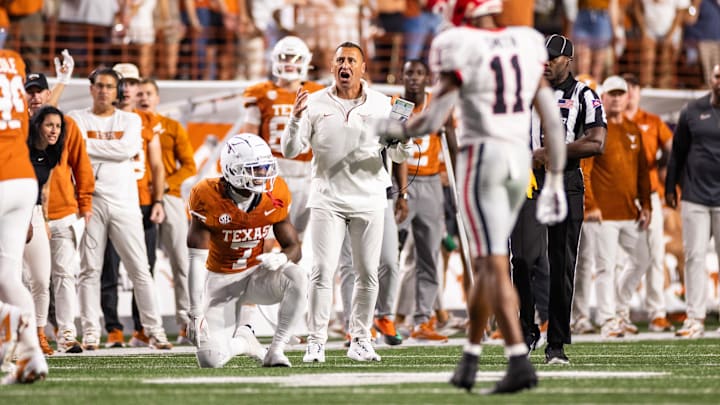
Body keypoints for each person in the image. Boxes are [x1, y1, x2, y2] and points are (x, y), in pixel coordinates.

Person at [376, 0, 568, 394]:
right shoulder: (525, 42)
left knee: (493, 262)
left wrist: (391, 129)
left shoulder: (458, 43)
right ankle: (471, 357)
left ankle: (518, 358)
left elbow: (432, 120)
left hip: (483, 158)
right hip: (520, 160)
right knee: (486, 262)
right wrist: (554, 180)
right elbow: (550, 117)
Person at [282, 41, 411, 363]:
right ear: (332, 66)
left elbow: (398, 155)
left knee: (368, 273)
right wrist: (295, 119)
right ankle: (316, 341)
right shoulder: (312, 102)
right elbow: (290, 150)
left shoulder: (383, 105)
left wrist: (401, 138)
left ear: (363, 67)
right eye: (340, 59)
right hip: (327, 198)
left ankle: (361, 339)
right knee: (321, 272)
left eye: (352, 60)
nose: (346, 65)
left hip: (369, 199)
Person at [67, 67, 172, 350]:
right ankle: (90, 330)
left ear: (117, 91)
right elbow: (76, 148)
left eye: (109, 86)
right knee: (91, 269)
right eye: (99, 85)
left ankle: (154, 330)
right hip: (90, 201)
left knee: (140, 268)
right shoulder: (75, 117)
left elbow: (126, 149)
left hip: (126, 203)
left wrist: (86, 145)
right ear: (91, 88)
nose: (104, 91)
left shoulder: (131, 119)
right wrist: (100, 147)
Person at [186, 133, 307, 368]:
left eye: (264, 167)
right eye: (254, 169)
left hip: (256, 276)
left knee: (299, 276)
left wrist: (281, 257)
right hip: (222, 281)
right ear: (231, 170)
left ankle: (276, 350)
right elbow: (195, 260)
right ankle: (244, 342)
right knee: (210, 360)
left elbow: (295, 248)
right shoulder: (206, 195)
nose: (262, 174)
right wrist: (195, 312)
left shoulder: (275, 194)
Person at [528, 34, 607, 363]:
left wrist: (552, 152)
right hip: (529, 180)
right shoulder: (527, 93)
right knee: (523, 258)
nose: (546, 63)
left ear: (568, 60)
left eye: (553, 57)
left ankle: (556, 343)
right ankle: (526, 329)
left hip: (566, 179)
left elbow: (596, 142)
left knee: (561, 264)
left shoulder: (584, 94)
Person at [98, 63, 167, 349]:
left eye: (132, 82)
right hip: (112, 200)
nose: (127, 88)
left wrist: (159, 199)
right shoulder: (101, 119)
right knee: (108, 268)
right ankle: (113, 329)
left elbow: (157, 165)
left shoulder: (148, 120)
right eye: (121, 82)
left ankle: (142, 328)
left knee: (144, 267)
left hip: (143, 201)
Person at [581, 75, 651, 338]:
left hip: (629, 212)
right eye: (612, 94)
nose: (618, 98)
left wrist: (646, 204)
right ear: (602, 98)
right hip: (603, 215)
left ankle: (619, 310)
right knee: (604, 267)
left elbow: (642, 171)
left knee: (643, 259)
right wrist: (591, 204)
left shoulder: (633, 130)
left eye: (621, 93)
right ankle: (608, 319)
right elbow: (584, 170)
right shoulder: (595, 130)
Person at [394, 59, 457, 342]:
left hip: (431, 182)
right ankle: (381, 317)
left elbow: (452, 138)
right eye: (409, 73)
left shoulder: (437, 103)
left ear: (427, 77)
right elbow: (390, 145)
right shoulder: (398, 105)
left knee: (429, 256)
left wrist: (459, 174)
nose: (414, 78)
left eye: (419, 73)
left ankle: (422, 320)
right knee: (387, 255)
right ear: (402, 77)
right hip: (401, 184)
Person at [240, 36, 324, 241]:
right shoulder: (261, 93)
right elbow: (248, 137)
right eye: (285, 57)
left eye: (295, 58)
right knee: (266, 239)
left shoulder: (318, 93)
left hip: (307, 175)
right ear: (275, 59)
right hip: (273, 174)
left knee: (297, 239)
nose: (289, 63)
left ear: (306, 61)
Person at [0, 44, 48, 384]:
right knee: (6, 278)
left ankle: (10, 324)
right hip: (22, 180)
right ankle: (32, 357)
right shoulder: (12, 60)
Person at [137, 77, 196, 344]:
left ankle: (186, 322)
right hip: (138, 197)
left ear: (157, 98)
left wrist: (163, 186)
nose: (144, 98)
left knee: (181, 262)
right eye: (139, 94)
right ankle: (144, 326)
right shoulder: (129, 124)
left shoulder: (171, 126)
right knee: (141, 264)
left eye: (148, 93)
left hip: (168, 197)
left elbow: (189, 165)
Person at [616, 73, 675, 333]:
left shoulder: (652, 122)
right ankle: (619, 313)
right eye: (625, 88)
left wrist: (668, 180)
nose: (630, 92)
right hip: (619, 196)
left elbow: (674, 150)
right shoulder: (610, 122)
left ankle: (657, 312)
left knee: (655, 253)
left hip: (649, 194)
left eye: (634, 87)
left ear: (640, 92)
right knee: (618, 258)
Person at [665, 64, 720, 338]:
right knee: (694, 256)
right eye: (718, 75)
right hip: (695, 195)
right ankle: (694, 318)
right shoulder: (693, 110)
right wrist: (669, 187)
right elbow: (677, 152)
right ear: (711, 78)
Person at [22, 105, 68, 356]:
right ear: (37, 124)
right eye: (49, 124)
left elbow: (45, 190)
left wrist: (46, 220)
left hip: (36, 213)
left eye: (58, 126)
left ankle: (39, 332)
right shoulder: (20, 148)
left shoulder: (52, 153)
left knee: (40, 279)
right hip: (11, 211)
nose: (54, 130)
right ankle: (14, 334)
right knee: (11, 278)